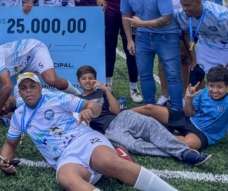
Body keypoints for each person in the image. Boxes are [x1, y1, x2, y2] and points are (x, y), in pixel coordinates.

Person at [0, 73, 210, 191]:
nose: (28, 91)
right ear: (19, 92)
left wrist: (89, 109)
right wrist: (4, 161)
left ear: (39, 87)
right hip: (65, 158)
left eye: (32, 86)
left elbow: (94, 106)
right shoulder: (19, 116)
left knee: (109, 162)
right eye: (23, 88)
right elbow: (9, 144)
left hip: (83, 139)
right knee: (64, 178)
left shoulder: (55, 98)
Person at [75, 65, 210, 165]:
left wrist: (105, 90)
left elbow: (116, 111)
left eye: (91, 78)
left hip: (122, 117)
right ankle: (182, 153)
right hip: (108, 130)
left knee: (151, 125)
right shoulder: (77, 99)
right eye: (84, 78)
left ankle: (186, 153)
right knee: (136, 146)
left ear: (95, 79)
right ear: (79, 81)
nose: (87, 81)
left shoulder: (102, 92)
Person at [135, 66, 228, 159]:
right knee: (149, 108)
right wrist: (188, 99)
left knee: (187, 144)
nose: (214, 90)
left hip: (204, 134)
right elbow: (188, 114)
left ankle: (146, 136)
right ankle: (119, 115)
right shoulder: (204, 93)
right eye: (211, 86)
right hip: (189, 121)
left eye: (219, 87)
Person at [175, 0, 228, 136]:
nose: (184, 8)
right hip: (207, 45)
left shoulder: (220, 14)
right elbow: (187, 34)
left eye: (187, 5)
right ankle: (199, 112)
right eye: (182, 4)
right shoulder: (181, 14)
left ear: (198, 1)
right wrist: (193, 58)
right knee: (199, 78)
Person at [0, 39, 78, 127]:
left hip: (33, 51)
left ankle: (78, 94)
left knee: (51, 80)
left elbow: (7, 86)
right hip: (22, 67)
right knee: (32, 94)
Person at [121, 0, 182, 108]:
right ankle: (150, 108)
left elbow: (167, 19)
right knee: (145, 74)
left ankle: (177, 111)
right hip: (143, 36)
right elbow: (125, 15)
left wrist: (143, 24)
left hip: (167, 35)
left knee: (173, 75)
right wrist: (129, 39)